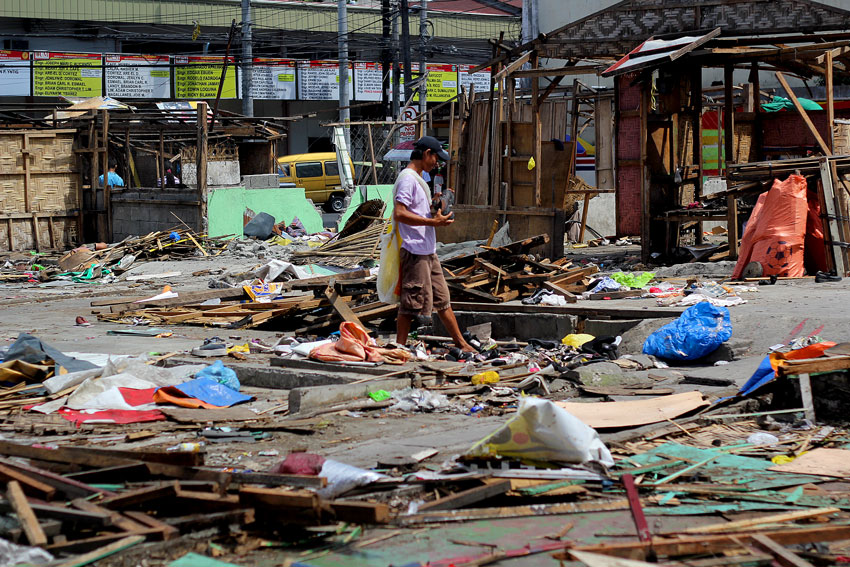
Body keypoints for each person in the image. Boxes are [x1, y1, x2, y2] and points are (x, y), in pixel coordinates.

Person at [393, 136, 474, 353]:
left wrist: (435, 207)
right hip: (414, 250)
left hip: (428, 250)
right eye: (436, 158)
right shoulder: (408, 179)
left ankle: (461, 343)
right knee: (410, 305)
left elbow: (416, 211)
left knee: (443, 300)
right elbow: (400, 213)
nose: (436, 163)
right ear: (427, 153)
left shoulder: (419, 179)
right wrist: (433, 221)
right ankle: (399, 349)